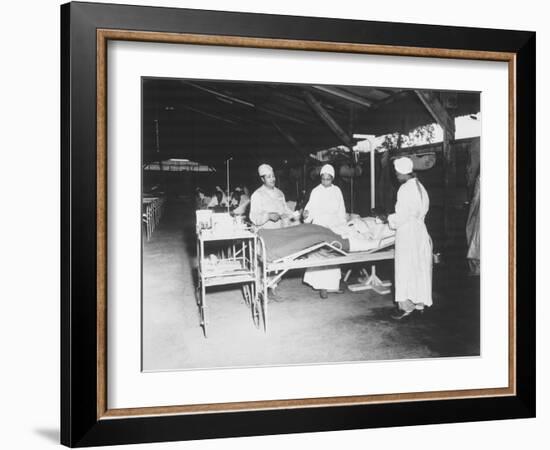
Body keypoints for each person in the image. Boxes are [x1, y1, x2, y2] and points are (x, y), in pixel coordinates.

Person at [387, 157, 433, 319]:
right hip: (420, 231)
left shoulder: (405, 189)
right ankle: (419, 303)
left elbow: (402, 216)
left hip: (407, 233)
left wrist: (389, 219)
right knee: (418, 268)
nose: (396, 175)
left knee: (405, 269)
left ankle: (405, 307)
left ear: (401, 172)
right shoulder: (420, 187)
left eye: (396, 172)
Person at [302, 164, 347, 299]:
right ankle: (321, 286)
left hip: (333, 225)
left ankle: (332, 285)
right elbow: (309, 209)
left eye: (328, 179)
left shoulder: (337, 191)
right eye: (323, 179)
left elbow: (341, 210)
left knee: (333, 255)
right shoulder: (316, 191)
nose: (326, 182)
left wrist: (343, 224)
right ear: (320, 178)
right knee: (321, 255)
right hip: (320, 226)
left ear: (332, 178)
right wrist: (306, 215)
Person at [249, 164, 295, 229]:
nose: (272, 179)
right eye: (268, 177)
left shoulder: (280, 193)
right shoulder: (257, 195)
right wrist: (268, 216)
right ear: (262, 179)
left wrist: (296, 215)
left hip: (281, 230)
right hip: (265, 232)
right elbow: (254, 218)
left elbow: (286, 211)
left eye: (273, 176)